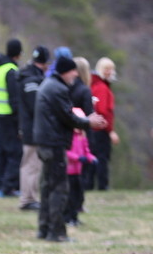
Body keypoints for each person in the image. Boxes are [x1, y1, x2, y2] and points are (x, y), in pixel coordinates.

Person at [33, 54, 107, 243]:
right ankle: (57, 232)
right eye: (73, 71)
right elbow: (68, 117)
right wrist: (88, 122)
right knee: (59, 188)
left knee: (47, 187)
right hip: (54, 144)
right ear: (66, 71)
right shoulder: (58, 89)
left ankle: (44, 228)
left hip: (44, 143)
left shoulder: (48, 85)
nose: (75, 74)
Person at [0, 37, 23, 197]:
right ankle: (8, 187)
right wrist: (19, 121)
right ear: (18, 54)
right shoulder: (11, 70)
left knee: (0, 152)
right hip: (9, 117)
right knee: (14, 153)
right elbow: (14, 98)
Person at [16, 46, 49, 212]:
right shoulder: (32, 80)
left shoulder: (29, 76)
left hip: (30, 127)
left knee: (32, 163)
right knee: (31, 164)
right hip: (32, 129)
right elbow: (36, 106)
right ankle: (28, 199)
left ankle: (29, 197)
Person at [88, 57, 120, 190]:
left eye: (111, 69)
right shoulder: (101, 87)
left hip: (96, 128)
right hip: (100, 128)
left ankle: (90, 184)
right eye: (107, 69)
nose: (110, 72)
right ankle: (102, 185)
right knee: (102, 156)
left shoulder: (98, 85)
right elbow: (102, 110)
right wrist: (110, 130)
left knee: (95, 156)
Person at [65, 127, 97, 226]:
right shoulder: (68, 136)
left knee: (77, 196)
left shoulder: (82, 137)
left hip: (78, 171)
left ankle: (74, 217)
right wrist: (78, 158)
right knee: (69, 196)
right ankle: (67, 218)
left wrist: (91, 158)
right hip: (68, 171)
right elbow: (66, 152)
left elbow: (86, 151)